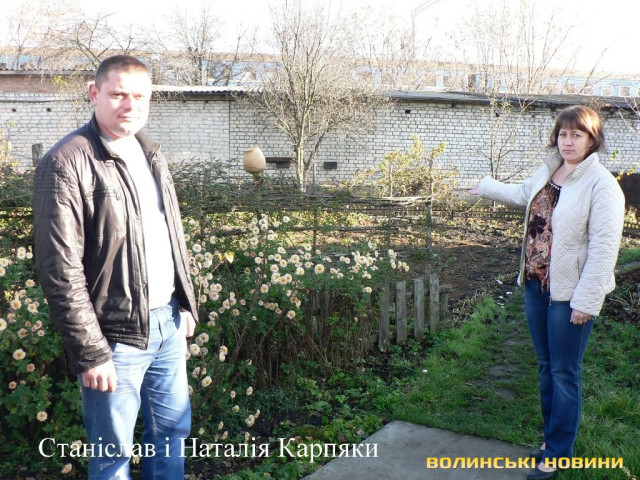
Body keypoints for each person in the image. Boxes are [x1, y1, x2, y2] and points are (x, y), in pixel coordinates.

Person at [33, 55, 198, 480]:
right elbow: (59, 270)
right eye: (119, 94)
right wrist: (90, 352)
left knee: (172, 436)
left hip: (167, 325)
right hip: (114, 337)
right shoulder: (66, 162)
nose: (130, 105)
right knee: (112, 456)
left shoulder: (150, 152)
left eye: (140, 96)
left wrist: (184, 304)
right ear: (94, 94)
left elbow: (169, 233)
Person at [469, 105, 625, 480]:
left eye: (577, 135)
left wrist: (586, 302)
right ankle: (550, 441)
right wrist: (486, 187)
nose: (568, 141)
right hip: (535, 286)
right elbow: (524, 194)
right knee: (545, 368)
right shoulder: (550, 170)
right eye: (563, 134)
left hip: (569, 296)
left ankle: (558, 453)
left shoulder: (602, 186)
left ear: (592, 140)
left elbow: (604, 250)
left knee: (564, 373)